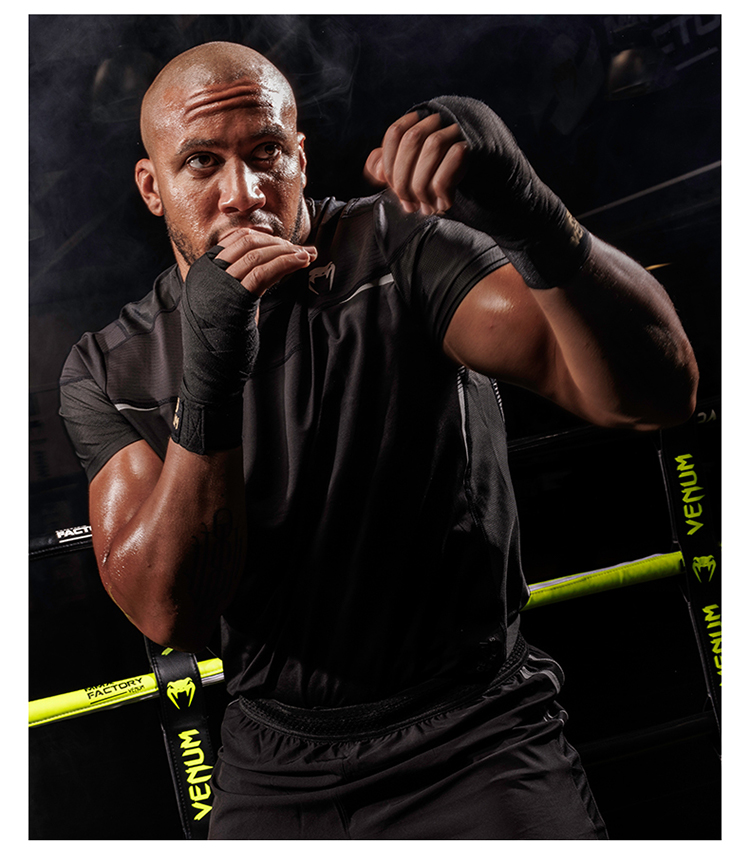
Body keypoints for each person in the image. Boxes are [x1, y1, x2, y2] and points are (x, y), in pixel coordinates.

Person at [59, 41, 698, 839]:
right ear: (153, 187)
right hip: (275, 763)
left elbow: (654, 397)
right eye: (201, 163)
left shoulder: (401, 251)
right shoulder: (111, 365)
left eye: (266, 154)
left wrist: (535, 217)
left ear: (300, 157)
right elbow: (168, 613)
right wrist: (210, 382)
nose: (243, 194)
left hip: (474, 734)